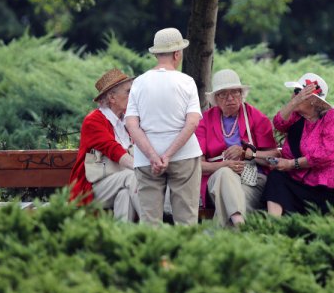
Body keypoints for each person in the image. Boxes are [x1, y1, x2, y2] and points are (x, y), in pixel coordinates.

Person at [125, 28, 203, 225]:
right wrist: (168, 155)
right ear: (177, 54)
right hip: (184, 154)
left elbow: (131, 124)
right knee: (186, 220)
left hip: (146, 158)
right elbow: (192, 122)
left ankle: (153, 256)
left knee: (149, 222)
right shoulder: (186, 81)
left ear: (156, 53)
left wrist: (153, 155)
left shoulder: (138, 83)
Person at [196, 69, 279, 226]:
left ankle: (233, 227)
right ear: (215, 98)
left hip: (251, 180)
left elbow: (274, 157)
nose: (230, 98)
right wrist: (224, 165)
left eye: (235, 92)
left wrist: (247, 154)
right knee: (225, 174)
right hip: (216, 177)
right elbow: (197, 165)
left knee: (229, 199)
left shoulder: (256, 117)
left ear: (242, 94)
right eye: (223, 94)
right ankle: (241, 228)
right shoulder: (204, 120)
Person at [263, 73, 334, 216]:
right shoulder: (296, 117)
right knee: (276, 177)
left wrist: (291, 164)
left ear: (313, 100)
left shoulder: (333, 116)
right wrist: (294, 102)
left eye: (299, 93)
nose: (294, 96)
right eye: (295, 92)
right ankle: (273, 227)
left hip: (328, 188)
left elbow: (325, 155)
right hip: (302, 183)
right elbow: (278, 123)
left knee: (279, 184)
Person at [69, 68, 140, 222]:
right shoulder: (94, 120)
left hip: (118, 183)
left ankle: (122, 241)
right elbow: (113, 149)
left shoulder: (125, 121)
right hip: (92, 188)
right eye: (128, 92)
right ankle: (154, 226)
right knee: (132, 176)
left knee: (125, 195)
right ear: (112, 97)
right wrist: (143, 168)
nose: (133, 95)